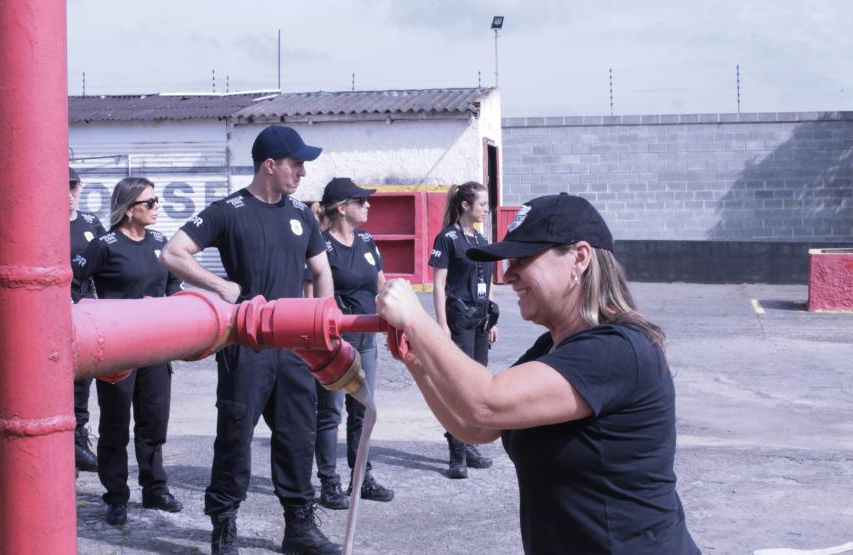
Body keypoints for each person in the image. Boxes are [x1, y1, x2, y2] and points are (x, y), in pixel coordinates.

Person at [377, 193, 701, 554]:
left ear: (579, 257)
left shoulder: (618, 348)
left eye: (523, 258)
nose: (509, 274)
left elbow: (486, 403)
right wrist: (418, 363)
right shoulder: (554, 347)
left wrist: (417, 320)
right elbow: (477, 427)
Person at [160, 125, 340, 555]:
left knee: (298, 436)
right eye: (295, 163)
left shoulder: (300, 214)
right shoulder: (229, 210)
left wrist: (322, 323)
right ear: (269, 164)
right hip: (246, 344)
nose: (301, 171)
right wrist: (220, 287)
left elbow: (322, 273)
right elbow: (172, 253)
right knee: (235, 436)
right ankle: (224, 527)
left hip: (295, 345)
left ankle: (299, 528)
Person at [72, 177, 184, 526]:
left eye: (156, 201)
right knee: (115, 425)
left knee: (153, 422)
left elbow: (174, 288)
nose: (156, 208)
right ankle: (116, 496)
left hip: (155, 348)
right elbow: (72, 281)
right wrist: (87, 317)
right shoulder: (104, 245)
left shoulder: (160, 243)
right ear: (129, 208)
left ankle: (155, 488)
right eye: (149, 203)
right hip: (117, 349)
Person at [312, 177, 393, 510]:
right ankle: (330, 484)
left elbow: (381, 284)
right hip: (335, 342)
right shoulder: (320, 246)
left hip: (367, 340)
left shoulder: (367, 240)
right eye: (361, 201)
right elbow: (311, 296)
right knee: (330, 414)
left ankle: (362, 478)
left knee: (363, 411)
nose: (368, 205)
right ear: (342, 208)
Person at [427, 182, 496, 479]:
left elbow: (488, 282)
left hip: (480, 320)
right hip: (458, 320)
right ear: (465, 206)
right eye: (482, 204)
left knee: (477, 386)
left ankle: (468, 444)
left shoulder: (480, 238)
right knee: (458, 386)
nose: (486, 208)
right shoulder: (447, 238)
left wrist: (494, 322)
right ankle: (456, 451)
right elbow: (439, 285)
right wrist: (441, 323)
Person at [69, 167, 105, 473]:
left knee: (83, 379)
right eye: (62, 188)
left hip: (86, 309)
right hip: (53, 309)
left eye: (73, 188)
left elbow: (108, 261)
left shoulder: (91, 223)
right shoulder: (39, 219)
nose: (68, 195)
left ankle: (77, 441)